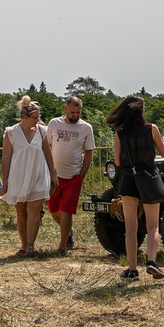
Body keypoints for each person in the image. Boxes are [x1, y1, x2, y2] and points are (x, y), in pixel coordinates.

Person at [106, 95, 164, 280]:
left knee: (131, 228)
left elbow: (117, 161)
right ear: (141, 111)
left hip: (128, 178)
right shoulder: (152, 129)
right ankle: (151, 262)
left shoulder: (120, 132)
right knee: (152, 226)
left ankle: (132, 270)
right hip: (148, 177)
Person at [0, 95, 57, 257]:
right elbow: (6, 159)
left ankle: (30, 246)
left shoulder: (42, 131)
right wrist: (6, 181)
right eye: (35, 117)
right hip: (18, 176)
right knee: (21, 213)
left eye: (39, 117)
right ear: (25, 117)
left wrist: (53, 174)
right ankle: (24, 245)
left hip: (39, 174)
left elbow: (48, 152)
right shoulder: (11, 132)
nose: (38, 120)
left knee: (34, 210)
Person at [46, 96, 95, 256]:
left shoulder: (86, 128)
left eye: (78, 112)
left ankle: (62, 246)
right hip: (54, 176)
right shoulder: (54, 124)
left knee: (66, 210)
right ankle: (68, 231)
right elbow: (47, 147)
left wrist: (81, 175)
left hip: (74, 176)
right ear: (65, 109)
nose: (75, 115)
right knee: (54, 210)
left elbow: (88, 155)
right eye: (73, 112)